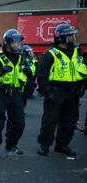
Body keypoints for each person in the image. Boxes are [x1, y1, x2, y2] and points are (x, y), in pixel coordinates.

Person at [36, 23, 87, 156]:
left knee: (69, 121)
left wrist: (82, 86)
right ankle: (45, 144)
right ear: (61, 38)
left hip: (73, 92)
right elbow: (42, 75)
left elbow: (83, 70)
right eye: (70, 36)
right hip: (56, 91)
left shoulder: (78, 52)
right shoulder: (50, 54)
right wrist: (47, 92)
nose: (73, 39)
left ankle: (62, 145)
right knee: (50, 120)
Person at [0, 29, 32, 157]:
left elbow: (30, 69)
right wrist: (0, 71)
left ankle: (11, 145)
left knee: (18, 121)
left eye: (19, 42)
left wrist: (29, 71)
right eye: (15, 43)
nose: (18, 45)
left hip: (16, 91)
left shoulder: (22, 57)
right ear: (7, 43)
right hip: (0, 90)